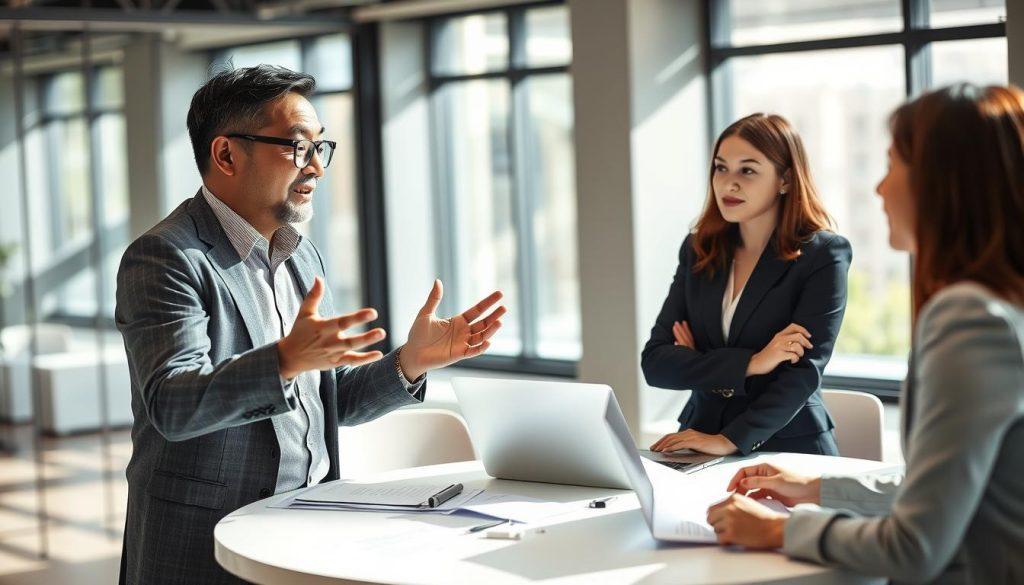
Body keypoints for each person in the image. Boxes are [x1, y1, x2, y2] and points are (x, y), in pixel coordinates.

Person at [115, 65, 506, 585]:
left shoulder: (301, 256)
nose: (317, 168)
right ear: (227, 154)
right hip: (205, 540)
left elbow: (323, 402)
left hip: (309, 523)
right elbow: (174, 404)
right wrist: (284, 360)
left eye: (322, 148)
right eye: (298, 147)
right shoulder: (167, 257)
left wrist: (410, 363)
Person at [707, 84, 1024, 584]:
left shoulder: (970, 320)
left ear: (945, 183)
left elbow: (914, 546)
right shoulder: (1001, 304)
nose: (879, 188)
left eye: (894, 164)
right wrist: (821, 488)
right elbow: (941, 488)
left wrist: (778, 532)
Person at [642, 113, 850, 457]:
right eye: (721, 168)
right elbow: (657, 363)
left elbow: (801, 374)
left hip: (787, 448)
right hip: (697, 438)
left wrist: (727, 438)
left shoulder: (823, 255)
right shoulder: (698, 250)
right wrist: (755, 361)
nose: (728, 184)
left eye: (747, 170)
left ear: (784, 179)